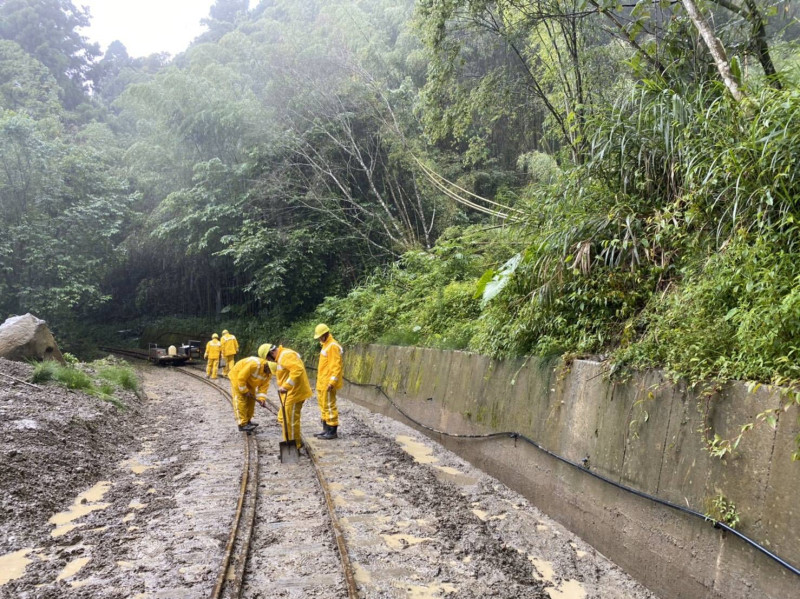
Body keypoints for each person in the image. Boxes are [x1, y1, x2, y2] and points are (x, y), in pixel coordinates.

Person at [260, 343, 312, 450]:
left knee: (290, 421)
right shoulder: (282, 356)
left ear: (270, 354)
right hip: (291, 393)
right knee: (285, 419)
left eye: (268, 359)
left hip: (294, 393)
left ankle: (294, 447)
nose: (270, 361)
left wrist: (286, 386)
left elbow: (297, 370)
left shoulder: (285, 356)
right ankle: (291, 443)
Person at [228, 353, 272, 433]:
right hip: (237, 378)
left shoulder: (268, 373)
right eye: (269, 371)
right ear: (267, 366)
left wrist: (261, 399)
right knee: (240, 400)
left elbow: (263, 387)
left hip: (249, 381)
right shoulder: (254, 365)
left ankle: (248, 421)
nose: (269, 373)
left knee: (251, 401)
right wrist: (245, 391)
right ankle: (242, 424)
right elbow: (241, 378)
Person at [313, 323, 343, 440]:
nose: (319, 338)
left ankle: (332, 431)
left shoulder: (332, 346)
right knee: (323, 405)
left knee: (330, 405)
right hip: (322, 382)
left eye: (320, 336)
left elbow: (336, 366)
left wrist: (332, 382)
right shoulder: (326, 345)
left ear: (325, 334)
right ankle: (326, 429)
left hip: (327, 383)